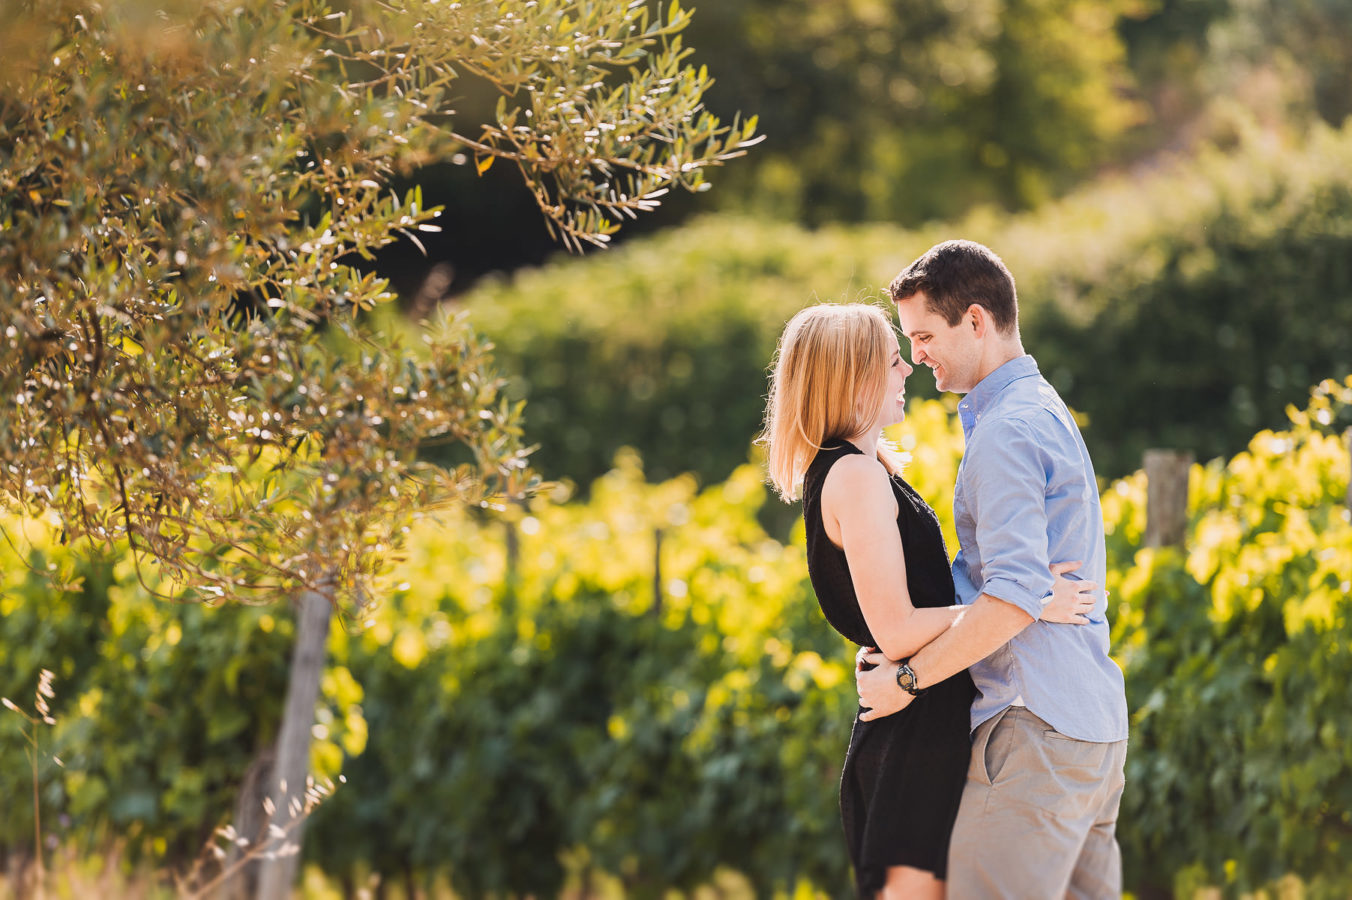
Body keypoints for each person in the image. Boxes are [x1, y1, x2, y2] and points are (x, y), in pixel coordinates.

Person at [761, 302, 1098, 899]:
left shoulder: (854, 470)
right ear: (853, 377)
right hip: (914, 742)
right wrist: (1026, 603)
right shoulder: (856, 477)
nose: (907, 371)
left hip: (924, 727)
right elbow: (895, 628)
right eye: (893, 361)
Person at [856, 240, 1130, 899]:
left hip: (1030, 731)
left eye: (923, 336)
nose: (917, 356)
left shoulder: (1006, 430)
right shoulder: (1042, 409)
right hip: (1090, 730)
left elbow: (1009, 601)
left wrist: (908, 681)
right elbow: (1016, 589)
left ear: (975, 320)